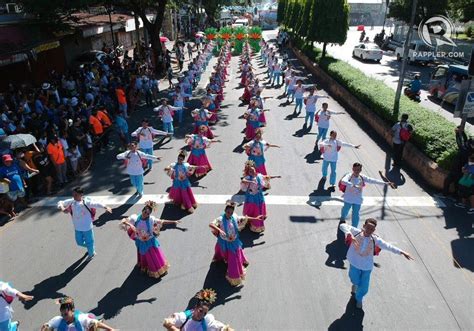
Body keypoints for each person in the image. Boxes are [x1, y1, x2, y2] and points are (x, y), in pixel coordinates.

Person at [339, 218, 413, 309]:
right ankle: (355, 285)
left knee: (364, 288)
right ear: (364, 226)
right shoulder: (356, 232)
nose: (369, 231)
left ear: (374, 230)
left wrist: (402, 252)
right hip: (354, 263)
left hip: (367, 267)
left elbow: (388, 246)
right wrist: (349, 234)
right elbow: (342, 226)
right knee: (355, 280)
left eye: (372, 229)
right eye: (368, 228)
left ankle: (359, 299)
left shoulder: (376, 239)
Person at [120, 200, 180, 278]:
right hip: (141, 242)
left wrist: (173, 221)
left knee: (153, 257)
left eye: (148, 213)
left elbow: (162, 221)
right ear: (142, 210)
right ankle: (144, 267)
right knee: (143, 256)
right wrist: (130, 225)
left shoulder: (151, 219)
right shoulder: (134, 218)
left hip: (150, 242)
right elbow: (123, 221)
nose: (146, 214)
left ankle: (157, 271)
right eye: (145, 212)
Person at [209, 201, 264, 286]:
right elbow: (211, 224)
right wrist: (220, 230)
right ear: (225, 211)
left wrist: (256, 218)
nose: (229, 214)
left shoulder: (234, 217)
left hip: (234, 242)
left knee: (234, 259)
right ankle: (222, 259)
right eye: (228, 212)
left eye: (231, 213)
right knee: (221, 252)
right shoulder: (220, 219)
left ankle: (234, 277)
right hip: (224, 241)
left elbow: (245, 218)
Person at [57, 186, 112, 259]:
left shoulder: (87, 202)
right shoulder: (71, 202)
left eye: (76, 195)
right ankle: (90, 247)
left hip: (87, 227)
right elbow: (60, 202)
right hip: (77, 227)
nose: (74, 196)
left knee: (89, 242)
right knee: (79, 242)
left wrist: (106, 207)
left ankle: (91, 253)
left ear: (81, 195)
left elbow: (97, 204)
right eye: (73, 194)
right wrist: (62, 208)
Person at [339, 163, 395, 228]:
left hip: (357, 199)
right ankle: (342, 219)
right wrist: (352, 185)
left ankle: (354, 228)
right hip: (348, 198)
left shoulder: (362, 177)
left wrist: (385, 183)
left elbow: (373, 180)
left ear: (361, 170)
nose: (357, 171)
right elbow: (343, 181)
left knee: (356, 214)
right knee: (345, 210)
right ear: (353, 169)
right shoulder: (349, 176)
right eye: (355, 169)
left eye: (359, 169)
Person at [163, 289, 233, 331]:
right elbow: (168, 323)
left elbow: (219, 327)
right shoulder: (185, 317)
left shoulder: (207, 320)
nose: (202, 315)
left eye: (205, 313)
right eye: (200, 311)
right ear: (195, 307)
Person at [241, 161, 280, 233]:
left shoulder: (259, 176)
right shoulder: (247, 178)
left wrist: (275, 176)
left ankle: (256, 224)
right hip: (251, 198)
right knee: (252, 210)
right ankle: (251, 222)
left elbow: (266, 177)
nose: (252, 172)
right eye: (250, 171)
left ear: (255, 170)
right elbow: (243, 181)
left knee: (258, 210)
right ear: (248, 172)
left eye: (253, 170)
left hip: (259, 197)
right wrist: (250, 182)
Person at [40, 297, 116, 331]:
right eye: (62, 314)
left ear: (72, 311)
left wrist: (110, 329)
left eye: (66, 314)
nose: (63, 317)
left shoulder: (81, 318)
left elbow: (95, 323)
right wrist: (45, 328)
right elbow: (47, 326)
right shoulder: (58, 320)